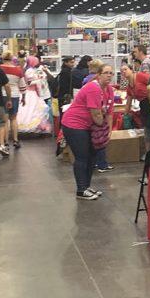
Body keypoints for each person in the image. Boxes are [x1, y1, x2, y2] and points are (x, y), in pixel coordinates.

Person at [61, 64, 114, 200]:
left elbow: (109, 112)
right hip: (74, 124)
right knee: (82, 156)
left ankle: (86, 186)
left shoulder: (109, 90)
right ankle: (81, 189)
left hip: (88, 126)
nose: (109, 75)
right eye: (106, 73)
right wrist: (103, 128)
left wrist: (108, 131)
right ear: (99, 74)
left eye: (111, 73)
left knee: (92, 156)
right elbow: (96, 115)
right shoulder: (93, 88)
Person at [121, 59, 150, 148]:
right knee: (147, 129)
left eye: (125, 69)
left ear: (131, 70)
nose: (123, 72)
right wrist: (125, 115)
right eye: (122, 71)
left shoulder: (140, 76)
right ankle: (148, 151)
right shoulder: (129, 87)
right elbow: (128, 102)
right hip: (143, 106)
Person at [17, 56, 52, 134]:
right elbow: (28, 82)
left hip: (33, 92)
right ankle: (29, 126)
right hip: (31, 93)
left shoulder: (30, 70)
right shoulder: (29, 71)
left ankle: (35, 127)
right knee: (31, 110)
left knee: (32, 110)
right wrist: (38, 81)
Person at [0, 51, 26, 149]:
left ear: (2, 58)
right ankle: (15, 140)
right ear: (12, 59)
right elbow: (22, 85)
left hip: (2, 95)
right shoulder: (18, 70)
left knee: (5, 120)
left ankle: (5, 142)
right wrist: (24, 97)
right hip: (15, 95)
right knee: (14, 119)